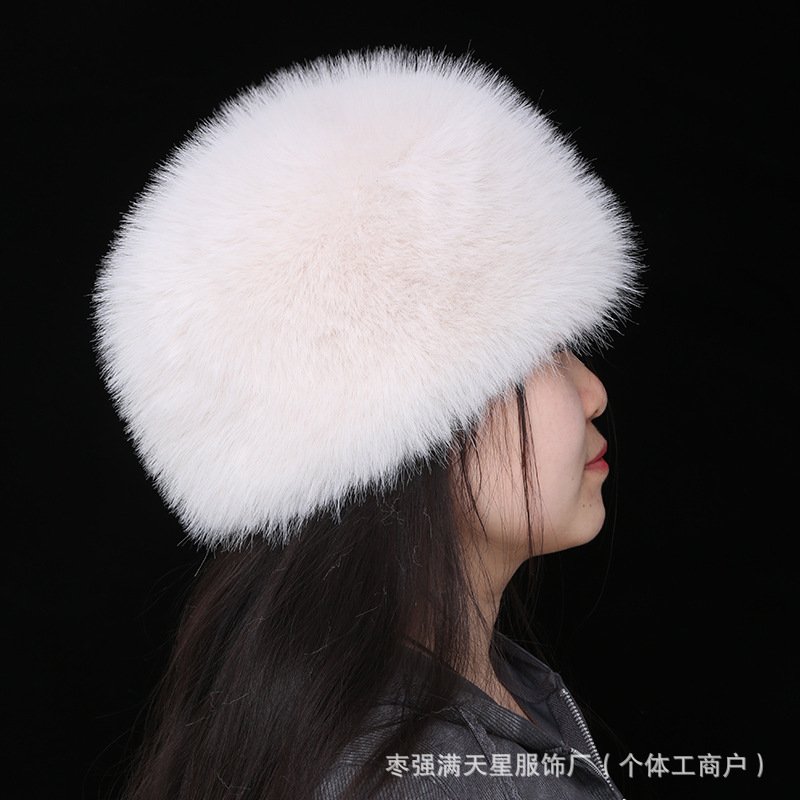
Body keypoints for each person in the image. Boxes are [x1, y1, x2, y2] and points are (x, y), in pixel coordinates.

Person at [95, 48, 640, 800]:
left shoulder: (445, 708)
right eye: (544, 350)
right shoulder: (420, 775)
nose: (594, 392)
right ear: (407, 427)